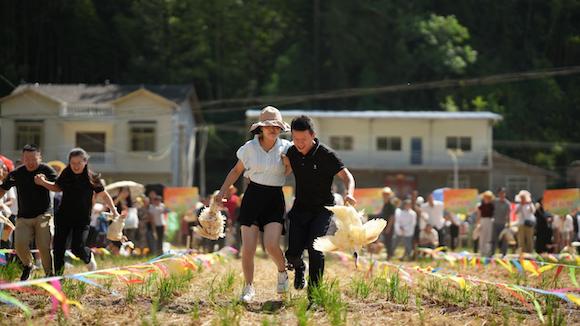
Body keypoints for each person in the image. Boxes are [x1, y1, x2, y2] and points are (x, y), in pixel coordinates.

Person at [215, 106, 292, 303]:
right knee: (248, 248)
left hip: (275, 198)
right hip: (252, 196)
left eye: (276, 125)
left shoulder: (286, 147)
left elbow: (287, 173)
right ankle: (248, 287)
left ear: (281, 128)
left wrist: (288, 164)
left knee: (271, 245)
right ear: (261, 128)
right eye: (268, 126)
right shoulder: (249, 148)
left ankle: (282, 272)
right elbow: (235, 171)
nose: (273, 129)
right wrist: (222, 192)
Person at [284, 115, 356, 299]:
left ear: (313, 135)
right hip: (300, 209)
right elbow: (281, 170)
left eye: (303, 140)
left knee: (316, 248)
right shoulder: (292, 152)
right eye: (295, 139)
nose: (299, 144)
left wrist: (349, 193)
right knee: (292, 255)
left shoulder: (326, 155)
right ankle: (300, 266)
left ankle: (314, 295)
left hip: (322, 210)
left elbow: (347, 177)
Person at [34, 148, 120, 275]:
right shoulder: (66, 173)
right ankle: (58, 277)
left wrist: (113, 210)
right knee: (58, 248)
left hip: (82, 219)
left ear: (85, 162)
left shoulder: (91, 177)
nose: (75, 166)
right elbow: (57, 187)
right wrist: (43, 183)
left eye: (79, 163)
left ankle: (88, 257)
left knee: (77, 248)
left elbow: (104, 194)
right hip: (63, 216)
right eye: (73, 163)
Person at [0, 145, 57, 280]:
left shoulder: (46, 170)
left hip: (43, 215)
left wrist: (44, 182)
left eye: (34, 159)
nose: (30, 162)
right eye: (27, 159)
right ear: (22, 159)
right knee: (19, 245)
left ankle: (49, 274)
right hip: (23, 217)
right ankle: (28, 265)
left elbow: (58, 187)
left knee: (43, 246)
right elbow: (2, 189)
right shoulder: (16, 174)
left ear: (40, 158)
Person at [491, 187, 511, 256]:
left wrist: (508, 224)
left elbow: (508, 215)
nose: (502, 194)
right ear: (498, 194)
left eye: (503, 193)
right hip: (495, 223)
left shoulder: (507, 203)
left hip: (503, 224)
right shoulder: (495, 202)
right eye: (500, 193)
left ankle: (504, 254)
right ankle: (492, 253)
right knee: (493, 239)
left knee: (504, 240)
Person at [476, 191, 495, 257]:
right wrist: (478, 224)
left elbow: (493, 215)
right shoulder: (481, 206)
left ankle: (488, 252)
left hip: (490, 221)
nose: (487, 199)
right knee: (482, 237)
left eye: (488, 197)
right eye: (486, 197)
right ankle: (482, 252)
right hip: (482, 221)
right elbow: (479, 215)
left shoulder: (492, 206)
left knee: (488, 237)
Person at [379, 187, 397, 260]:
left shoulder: (391, 205)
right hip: (383, 224)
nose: (385, 196)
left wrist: (388, 227)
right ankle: (389, 254)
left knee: (388, 240)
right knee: (386, 240)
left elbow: (392, 217)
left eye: (387, 194)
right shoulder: (383, 204)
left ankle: (390, 255)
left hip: (389, 225)